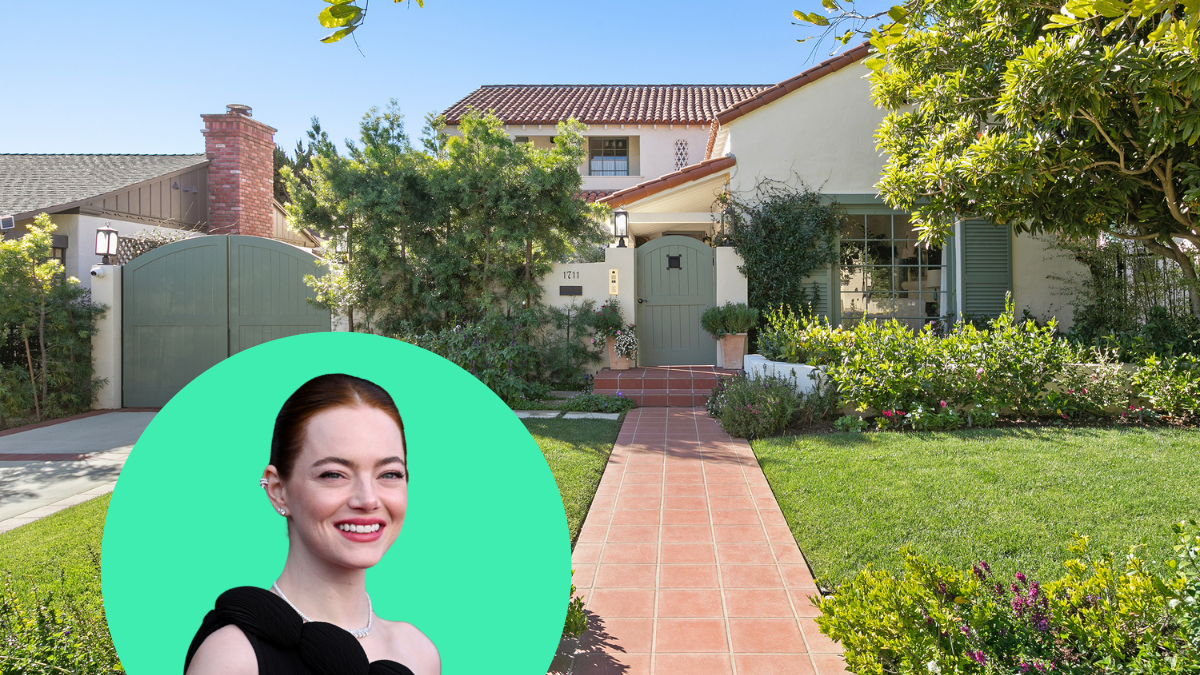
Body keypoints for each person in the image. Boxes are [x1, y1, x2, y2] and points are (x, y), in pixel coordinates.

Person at [185, 374, 440, 675]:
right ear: (279, 490)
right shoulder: (233, 658)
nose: (368, 499)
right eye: (334, 474)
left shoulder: (419, 652)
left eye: (390, 474)